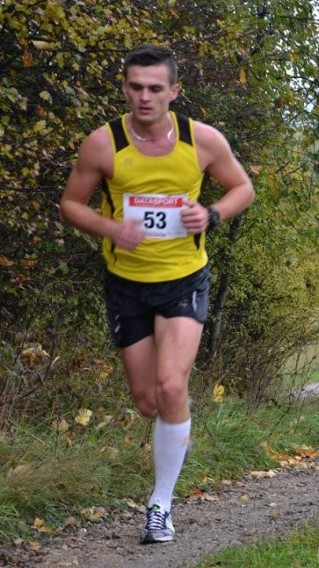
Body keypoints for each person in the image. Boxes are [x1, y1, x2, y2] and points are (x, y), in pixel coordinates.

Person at [59, 46, 255, 545]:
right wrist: (109, 227)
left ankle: (160, 505)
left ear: (173, 91)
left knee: (171, 386)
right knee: (148, 400)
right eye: (135, 87)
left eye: (154, 88)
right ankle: (175, 426)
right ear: (125, 88)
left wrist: (210, 215)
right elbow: (70, 204)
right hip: (126, 284)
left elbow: (242, 189)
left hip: (185, 279)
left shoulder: (202, 141)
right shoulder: (103, 145)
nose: (144, 97)